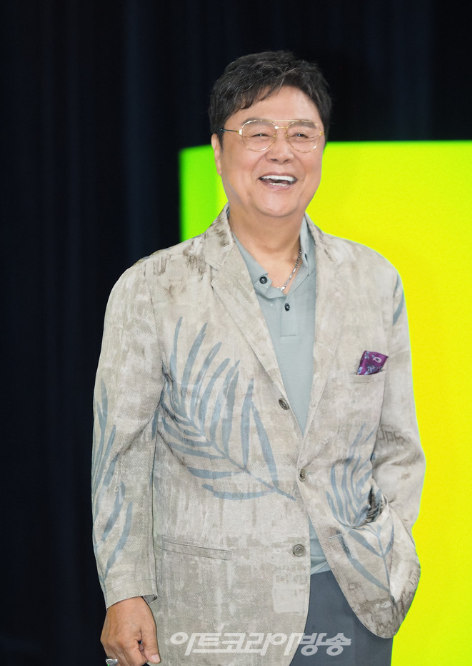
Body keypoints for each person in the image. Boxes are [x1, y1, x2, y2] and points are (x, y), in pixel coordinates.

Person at [92, 51, 425, 666]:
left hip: (350, 601)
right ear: (219, 151)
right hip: (209, 608)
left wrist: (389, 551)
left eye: (302, 134)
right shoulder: (153, 288)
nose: (282, 152)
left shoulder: (375, 280)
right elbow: (121, 456)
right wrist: (124, 589)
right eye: (258, 133)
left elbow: (398, 441)